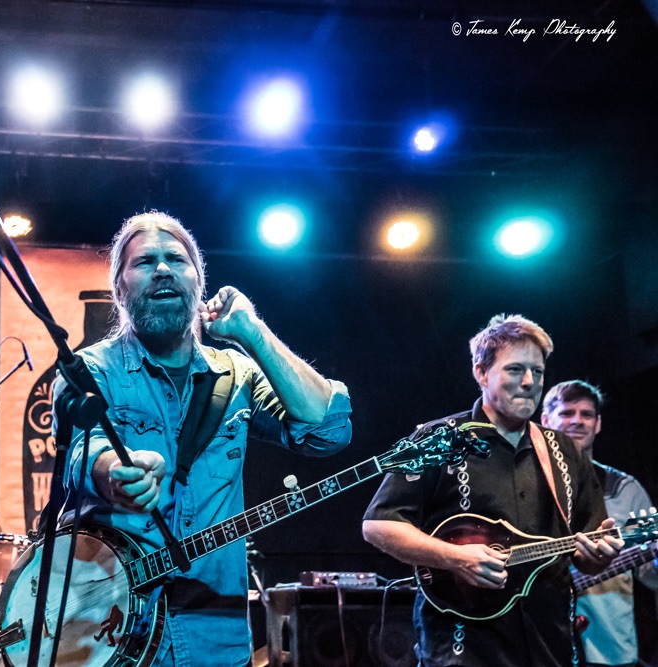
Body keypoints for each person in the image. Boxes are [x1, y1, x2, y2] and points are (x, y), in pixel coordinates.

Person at [56, 211, 353, 666]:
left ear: (199, 282)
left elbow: (326, 431)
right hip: (110, 633)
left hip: (215, 635)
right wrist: (115, 471)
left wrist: (253, 333)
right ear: (119, 288)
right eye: (145, 262)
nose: (162, 269)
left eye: (176, 259)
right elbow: (82, 450)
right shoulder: (93, 368)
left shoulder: (237, 375)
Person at [362, 314, 621, 667]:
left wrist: (601, 553)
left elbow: (588, 557)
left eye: (538, 371)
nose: (529, 382)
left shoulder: (565, 451)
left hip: (550, 643)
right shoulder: (437, 440)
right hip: (462, 647)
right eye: (515, 369)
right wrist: (454, 557)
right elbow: (379, 524)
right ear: (481, 373)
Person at [542, 379, 658, 667]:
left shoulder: (624, 488)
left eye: (587, 414)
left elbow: (650, 575)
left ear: (598, 424)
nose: (577, 421)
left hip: (611, 647)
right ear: (545, 421)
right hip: (543, 645)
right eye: (567, 413)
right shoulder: (525, 487)